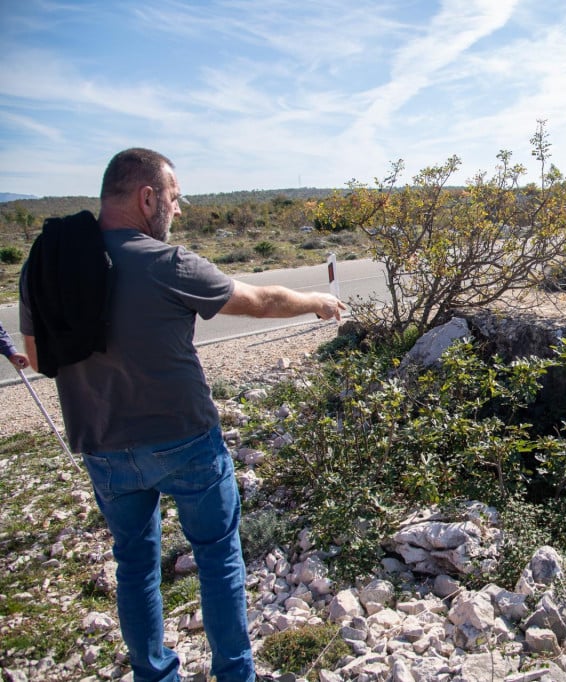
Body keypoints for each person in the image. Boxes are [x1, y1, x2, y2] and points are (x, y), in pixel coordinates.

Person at [19, 148, 345, 682]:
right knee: (218, 561)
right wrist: (315, 300)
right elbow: (259, 300)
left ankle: (154, 674)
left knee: (135, 567)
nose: (177, 210)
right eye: (173, 198)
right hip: (186, 441)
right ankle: (235, 674)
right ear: (147, 197)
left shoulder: (46, 263)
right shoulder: (166, 263)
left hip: (102, 446)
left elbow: (36, 360)